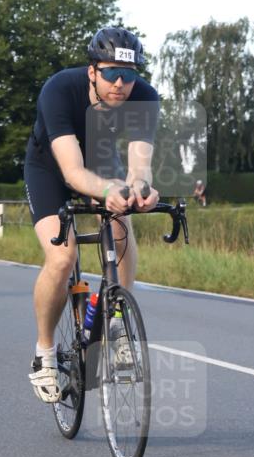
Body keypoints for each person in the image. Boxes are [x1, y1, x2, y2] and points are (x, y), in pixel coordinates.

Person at [24, 27, 160, 403]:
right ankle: (45, 352)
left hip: (101, 160)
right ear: (91, 72)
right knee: (62, 256)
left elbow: (138, 167)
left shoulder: (145, 98)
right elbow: (71, 172)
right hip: (51, 167)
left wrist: (140, 189)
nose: (120, 83)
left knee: (122, 224)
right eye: (111, 73)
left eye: (129, 75)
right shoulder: (59, 90)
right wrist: (106, 190)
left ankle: (117, 325)